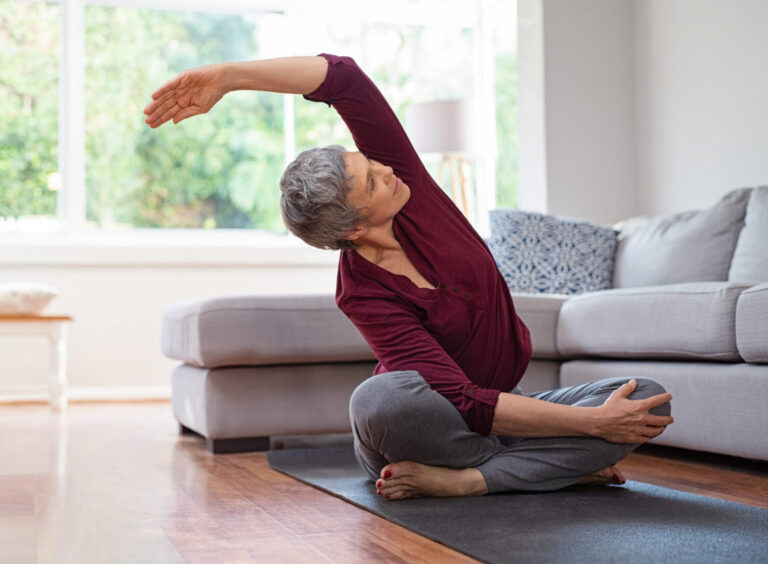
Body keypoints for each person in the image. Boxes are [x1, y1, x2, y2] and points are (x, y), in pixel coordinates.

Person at [144, 53, 674, 501]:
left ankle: (474, 479)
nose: (389, 170)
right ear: (352, 227)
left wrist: (229, 77)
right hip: (429, 427)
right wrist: (592, 428)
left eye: (375, 165)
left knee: (646, 396)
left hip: (491, 423)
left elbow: (343, 78)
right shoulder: (360, 292)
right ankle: (537, 467)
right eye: (372, 181)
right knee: (378, 400)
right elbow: (462, 401)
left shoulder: (411, 188)